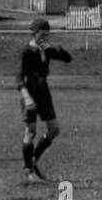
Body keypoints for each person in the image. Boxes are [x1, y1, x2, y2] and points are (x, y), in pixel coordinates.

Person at [17, 17, 73, 183]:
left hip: (44, 93)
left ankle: (32, 160)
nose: (45, 37)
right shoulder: (26, 52)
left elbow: (68, 59)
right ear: (34, 33)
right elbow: (19, 78)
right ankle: (28, 171)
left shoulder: (46, 50)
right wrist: (26, 98)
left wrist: (54, 48)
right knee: (31, 131)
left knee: (54, 129)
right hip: (30, 93)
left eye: (47, 34)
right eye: (42, 34)